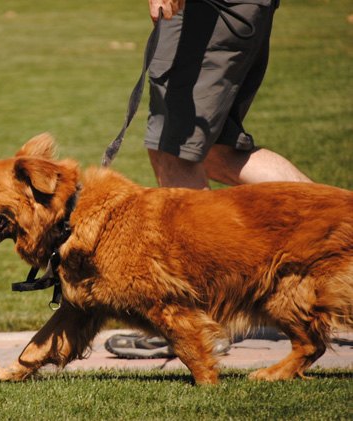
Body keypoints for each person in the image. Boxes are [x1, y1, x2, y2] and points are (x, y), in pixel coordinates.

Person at [105, 0, 312, 359]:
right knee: (215, 151)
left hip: (207, 11)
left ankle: (196, 320)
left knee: (176, 150)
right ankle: (340, 226)